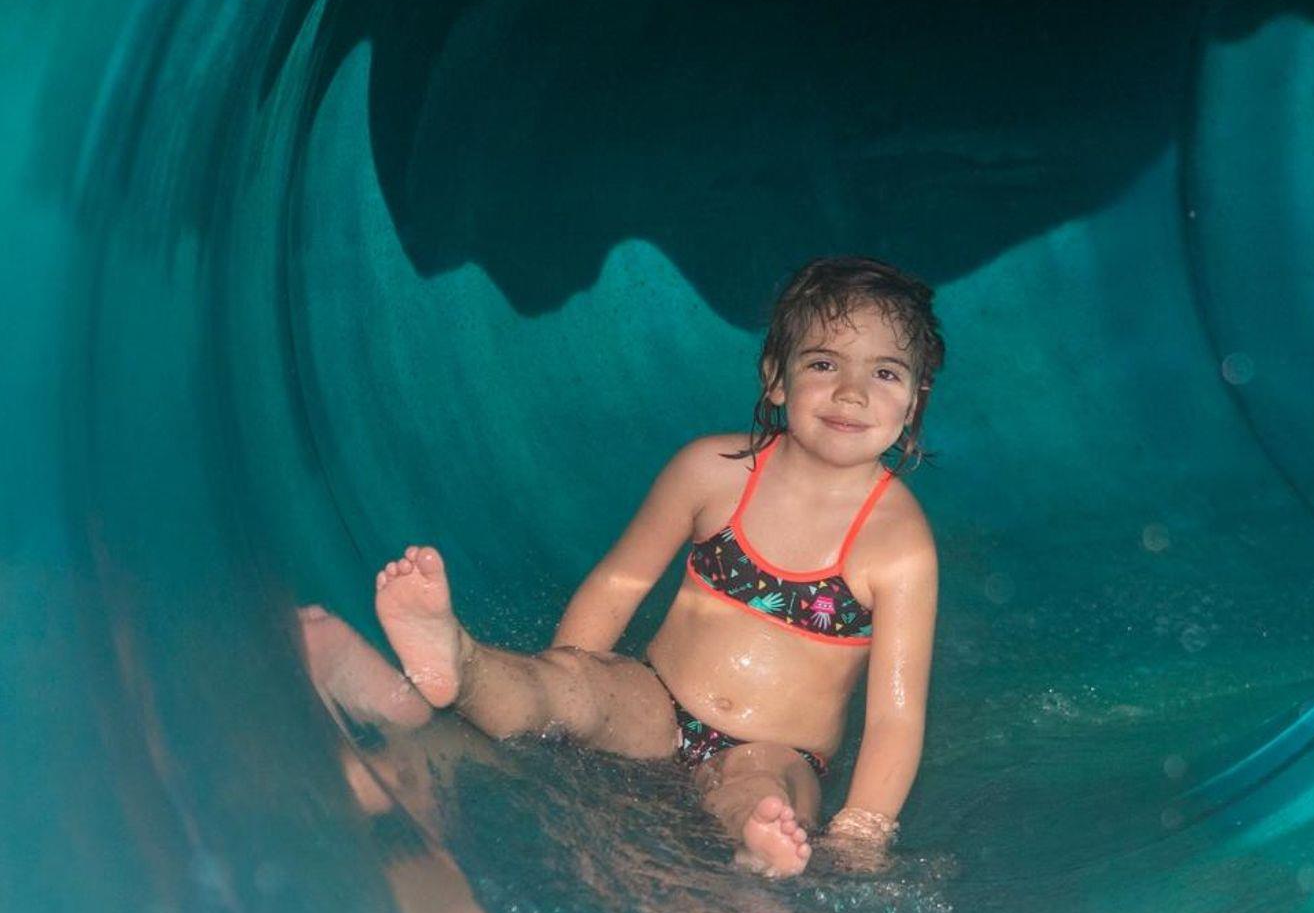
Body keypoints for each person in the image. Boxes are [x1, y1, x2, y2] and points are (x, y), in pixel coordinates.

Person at [371, 255, 941, 878]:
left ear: (914, 404)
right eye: (824, 364)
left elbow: (894, 717)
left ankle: (759, 843)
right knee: (573, 689)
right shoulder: (711, 473)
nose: (852, 392)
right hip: (659, 701)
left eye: (885, 372)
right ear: (777, 377)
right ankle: (463, 664)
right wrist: (569, 693)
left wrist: (862, 832)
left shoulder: (899, 546)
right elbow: (619, 583)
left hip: (780, 749)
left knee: (764, 791)